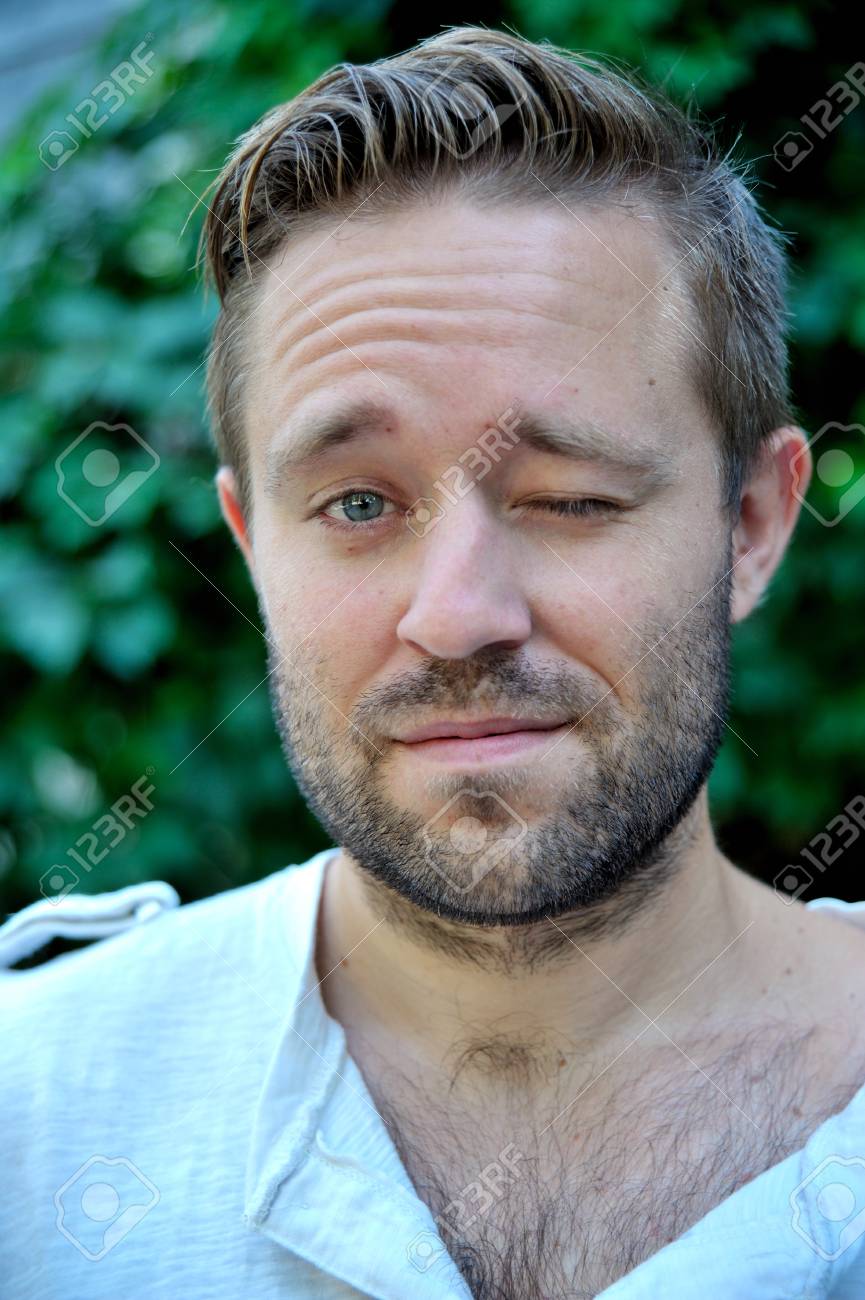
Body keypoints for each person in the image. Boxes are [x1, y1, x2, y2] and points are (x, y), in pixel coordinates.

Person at [3, 25, 865, 1300]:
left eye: (570, 497)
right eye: (357, 505)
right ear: (252, 548)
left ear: (749, 525)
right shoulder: (33, 1115)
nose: (455, 616)